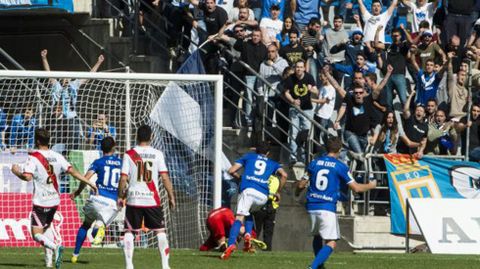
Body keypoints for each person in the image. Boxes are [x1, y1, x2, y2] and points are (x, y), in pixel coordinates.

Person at [10, 128, 98, 269]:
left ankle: (55, 246)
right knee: (46, 229)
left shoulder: (34, 158)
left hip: (41, 202)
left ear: (37, 141)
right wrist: (89, 182)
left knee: (36, 234)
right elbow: (72, 171)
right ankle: (49, 263)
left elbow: (27, 177)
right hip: (55, 202)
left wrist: (16, 172)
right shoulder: (57, 156)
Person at [296, 137, 377, 269]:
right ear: (339, 150)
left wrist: (296, 193)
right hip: (326, 207)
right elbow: (356, 188)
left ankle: (319, 266)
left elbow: (301, 184)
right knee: (332, 242)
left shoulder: (314, 163)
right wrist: (371, 185)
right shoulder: (340, 166)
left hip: (311, 206)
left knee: (317, 236)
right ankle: (313, 267)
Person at [118, 125, 175, 269]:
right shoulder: (157, 154)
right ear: (151, 137)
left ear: (137, 137)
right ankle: (165, 265)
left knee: (129, 232)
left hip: (134, 199)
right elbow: (165, 177)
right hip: (152, 199)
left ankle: (129, 266)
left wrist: (120, 195)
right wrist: (171, 196)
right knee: (160, 231)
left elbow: (123, 179)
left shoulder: (129, 154)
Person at [221, 143, 287, 259]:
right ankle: (247, 234)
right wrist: (278, 192)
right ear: (268, 153)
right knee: (249, 212)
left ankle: (230, 244)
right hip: (263, 197)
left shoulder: (248, 157)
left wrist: (240, 177)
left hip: (248, 191)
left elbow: (231, 170)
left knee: (239, 218)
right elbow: (284, 175)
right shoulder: (273, 163)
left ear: (256, 151)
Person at [70, 137, 122, 263]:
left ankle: (75, 255)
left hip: (96, 199)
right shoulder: (121, 162)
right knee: (100, 227)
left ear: (101, 148)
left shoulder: (98, 162)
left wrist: (77, 192)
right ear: (114, 147)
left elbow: (86, 178)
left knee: (85, 225)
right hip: (111, 203)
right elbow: (126, 181)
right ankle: (98, 230)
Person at [41, 49, 104, 150]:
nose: (66, 79)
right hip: (57, 119)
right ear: (61, 79)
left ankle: (71, 156)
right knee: (52, 141)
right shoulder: (56, 85)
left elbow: (88, 77)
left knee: (73, 142)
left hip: (71, 119)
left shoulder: (74, 85)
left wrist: (98, 62)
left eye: (68, 78)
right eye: (64, 78)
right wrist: (44, 58)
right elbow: (48, 73)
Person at [283, 60, 319, 163]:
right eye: (297, 67)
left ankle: (304, 155)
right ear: (295, 68)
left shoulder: (309, 77)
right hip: (294, 109)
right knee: (294, 132)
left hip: (307, 108)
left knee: (305, 134)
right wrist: (293, 101)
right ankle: (293, 156)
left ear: (304, 68)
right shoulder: (290, 78)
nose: (299, 69)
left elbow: (317, 91)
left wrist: (312, 90)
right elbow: (286, 93)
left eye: (301, 67)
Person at [252, 174, 280, 251]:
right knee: (268, 232)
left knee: (256, 229)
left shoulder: (260, 177)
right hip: (271, 206)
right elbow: (284, 176)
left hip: (259, 204)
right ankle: (267, 249)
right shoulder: (276, 179)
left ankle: (251, 248)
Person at [397, 90, 428, 157]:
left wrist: (420, 151)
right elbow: (405, 110)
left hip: (414, 154)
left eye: (421, 111)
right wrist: (411, 95)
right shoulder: (410, 119)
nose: (419, 112)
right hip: (402, 152)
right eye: (417, 110)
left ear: (424, 114)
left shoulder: (425, 126)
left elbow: (424, 141)